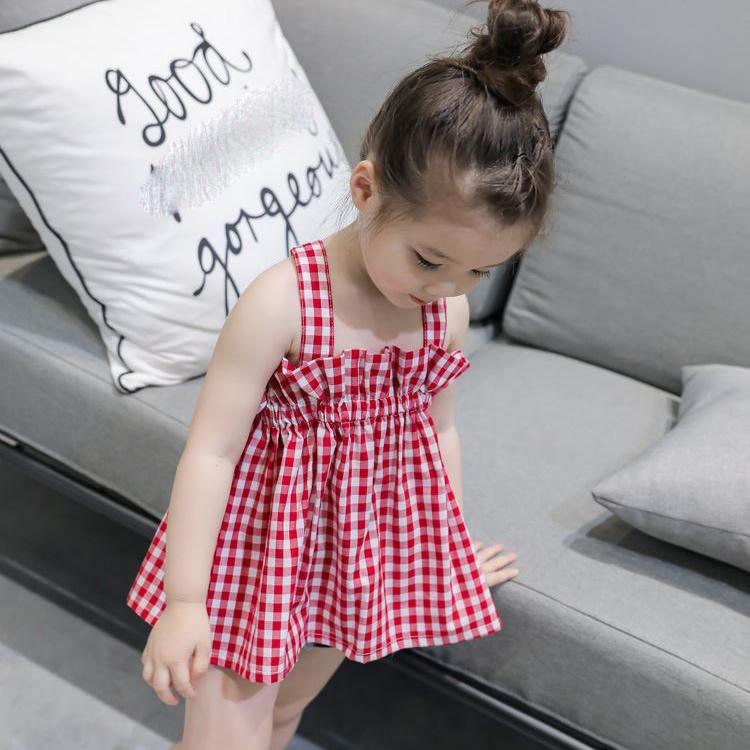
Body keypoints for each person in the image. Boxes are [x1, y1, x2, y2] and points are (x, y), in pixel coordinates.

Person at [125, 0, 570, 747]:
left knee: (287, 714)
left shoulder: (445, 313)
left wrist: (446, 548)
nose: (445, 288)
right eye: (429, 259)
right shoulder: (283, 304)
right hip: (256, 559)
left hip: (354, 557)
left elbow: (438, 433)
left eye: (478, 272)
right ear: (365, 191)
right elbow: (212, 452)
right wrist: (186, 602)